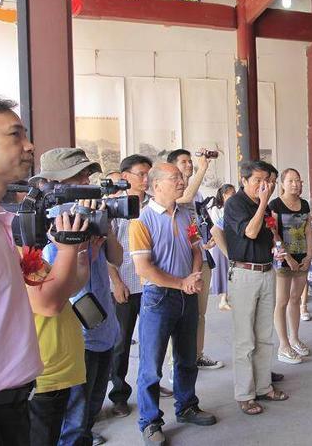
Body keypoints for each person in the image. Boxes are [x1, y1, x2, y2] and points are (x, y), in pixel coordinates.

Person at [0, 94, 80, 446]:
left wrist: (77, 250)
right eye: (15, 134)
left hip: (12, 402)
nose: (29, 145)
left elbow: (52, 288)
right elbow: (47, 302)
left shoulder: (0, 225)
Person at [130, 162, 217, 445]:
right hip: (159, 299)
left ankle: (187, 406)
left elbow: (196, 248)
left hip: (186, 295)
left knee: (187, 357)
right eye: (175, 178)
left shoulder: (185, 214)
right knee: (151, 367)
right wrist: (181, 283)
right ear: (156, 185)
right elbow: (144, 269)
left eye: (181, 177)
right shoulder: (141, 220)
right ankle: (150, 422)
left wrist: (193, 276)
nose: (182, 181)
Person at [29, 149, 104, 446]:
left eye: (87, 176)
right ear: (51, 185)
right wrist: (68, 248)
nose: (87, 183)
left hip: (65, 365)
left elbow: (69, 287)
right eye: (78, 177)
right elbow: (49, 303)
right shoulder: (29, 236)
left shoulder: (55, 231)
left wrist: (82, 251)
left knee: (75, 433)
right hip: (43, 373)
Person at [108, 154, 171, 419]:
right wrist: (116, 282)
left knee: (152, 342)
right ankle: (119, 395)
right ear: (125, 177)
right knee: (121, 344)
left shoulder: (154, 205)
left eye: (148, 174)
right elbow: (106, 250)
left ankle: (152, 385)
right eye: (141, 174)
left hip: (151, 286)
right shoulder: (113, 206)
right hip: (125, 285)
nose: (146, 179)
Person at [224, 160, 289, 416]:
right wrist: (263, 203)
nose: (264, 186)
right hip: (244, 274)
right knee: (244, 339)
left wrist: (276, 248)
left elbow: (267, 235)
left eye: (267, 181)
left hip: (266, 271)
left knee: (264, 335)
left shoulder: (264, 206)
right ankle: (245, 394)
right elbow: (250, 232)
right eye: (258, 181)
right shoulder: (236, 204)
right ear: (244, 181)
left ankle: (264, 387)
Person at [167, 149, 223, 370]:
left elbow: (195, 222)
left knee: (200, 313)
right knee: (177, 314)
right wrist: (203, 168)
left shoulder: (198, 194)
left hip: (200, 258)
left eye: (191, 161)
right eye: (184, 162)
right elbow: (184, 199)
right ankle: (175, 362)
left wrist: (205, 239)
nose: (189, 165)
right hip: (180, 261)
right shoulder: (173, 193)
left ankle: (197, 355)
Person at [268, 168, 312, 364]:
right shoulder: (275, 205)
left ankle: (294, 339)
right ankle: (283, 345)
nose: (295, 184)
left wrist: (309, 255)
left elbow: (308, 231)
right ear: (283, 184)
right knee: (282, 301)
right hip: (282, 259)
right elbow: (274, 233)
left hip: (302, 257)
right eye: (291, 181)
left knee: (296, 298)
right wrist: (287, 257)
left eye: (298, 180)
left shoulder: (304, 204)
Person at [206, 184, 236, 311]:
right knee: (223, 270)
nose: (234, 196)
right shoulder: (216, 209)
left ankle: (226, 297)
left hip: (231, 242)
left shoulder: (234, 208)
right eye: (232, 193)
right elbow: (216, 228)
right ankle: (223, 299)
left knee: (231, 270)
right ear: (224, 195)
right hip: (220, 243)